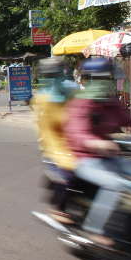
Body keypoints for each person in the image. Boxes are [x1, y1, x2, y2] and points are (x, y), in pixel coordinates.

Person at [64, 58, 131, 246]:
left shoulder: (111, 102)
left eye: (109, 78)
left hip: (111, 157)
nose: (108, 82)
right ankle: (93, 229)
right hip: (86, 160)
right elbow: (77, 133)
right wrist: (98, 144)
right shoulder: (81, 104)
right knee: (115, 184)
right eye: (104, 78)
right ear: (92, 80)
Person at [31, 57, 79, 224]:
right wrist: (64, 153)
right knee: (68, 171)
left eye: (57, 73)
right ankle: (57, 208)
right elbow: (48, 133)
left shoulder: (72, 91)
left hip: (78, 140)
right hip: (55, 146)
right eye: (51, 74)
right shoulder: (42, 100)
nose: (55, 77)